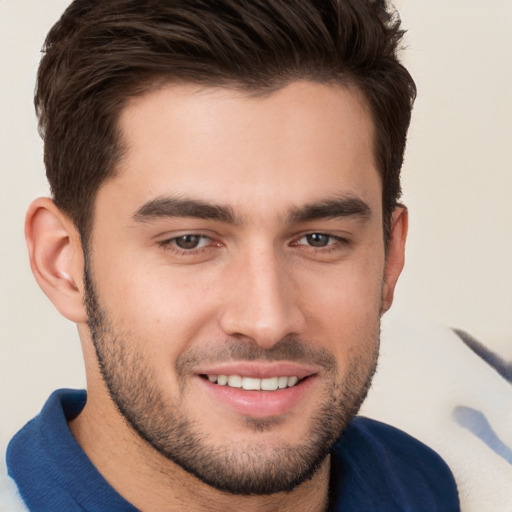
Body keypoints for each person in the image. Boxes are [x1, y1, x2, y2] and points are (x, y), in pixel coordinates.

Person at [1, 0, 460, 510]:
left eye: (319, 239)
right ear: (63, 264)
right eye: (189, 241)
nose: (267, 321)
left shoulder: (477, 476)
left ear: (389, 257)